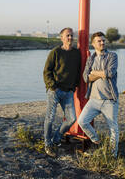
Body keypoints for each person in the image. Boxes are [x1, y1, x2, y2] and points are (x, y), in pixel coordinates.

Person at [77, 31, 119, 157]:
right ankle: (96, 139)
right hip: (94, 100)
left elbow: (110, 73)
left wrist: (94, 74)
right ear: (93, 44)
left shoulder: (112, 56)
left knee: (113, 129)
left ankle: (112, 155)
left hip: (109, 100)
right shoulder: (91, 58)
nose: (102, 43)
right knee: (82, 121)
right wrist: (100, 74)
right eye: (99, 41)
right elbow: (85, 77)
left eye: (103, 40)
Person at [43, 27, 81, 157]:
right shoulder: (55, 52)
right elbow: (47, 71)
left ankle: (56, 138)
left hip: (68, 92)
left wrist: (74, 86)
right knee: (50, 118)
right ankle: (48, 144)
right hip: (55, 91)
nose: (70, 38)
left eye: (71, 35)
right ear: (62, 38)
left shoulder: (76, 53)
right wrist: (52, 86)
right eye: (67, 36)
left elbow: (77, 71)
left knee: (71, 119)